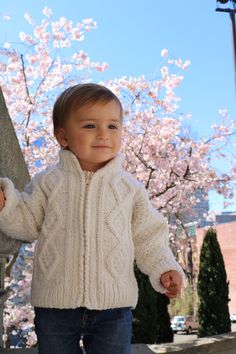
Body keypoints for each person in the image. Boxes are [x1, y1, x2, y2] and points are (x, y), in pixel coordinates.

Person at [0, 83, 183, 354]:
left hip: (114, 306)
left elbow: (149, 235)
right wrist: (7, 204)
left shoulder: (129, 188)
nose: (103, 134)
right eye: (89, 126)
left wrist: (164, 267)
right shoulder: (48, 182)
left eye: (113, 126)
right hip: (55, 306)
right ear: (63, 136)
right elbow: (27, 222)